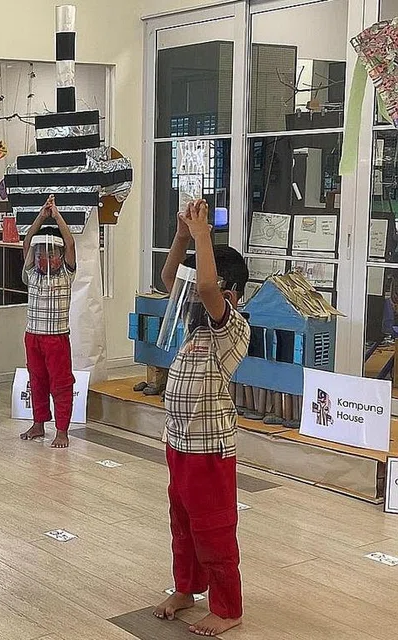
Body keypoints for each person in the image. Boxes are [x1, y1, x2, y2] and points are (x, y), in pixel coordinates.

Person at [153, 200, 250, 637]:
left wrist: (203, 235)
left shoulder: (232, 326)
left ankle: (228, 608)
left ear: (233, 294)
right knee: (184, 523)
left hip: (209, 450)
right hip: (180, 443)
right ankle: (186, 588)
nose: (194, 295)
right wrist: (181, 236)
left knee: (213, 528)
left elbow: (208, 287)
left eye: (203, 289)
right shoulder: (194, 326)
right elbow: (169, 278)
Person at [19, 195, 77, 449]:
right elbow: (27, 242)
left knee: (61, 384)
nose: (46, 258)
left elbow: (70, 242)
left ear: (60, 256)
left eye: (52, 253)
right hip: (33, 337)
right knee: (37, 381)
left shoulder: (66, 274)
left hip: (57, 338)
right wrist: (41, 217)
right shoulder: (32, 273)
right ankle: (38, 423)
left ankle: (62, 430)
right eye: (41, 253)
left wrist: (57, 215)